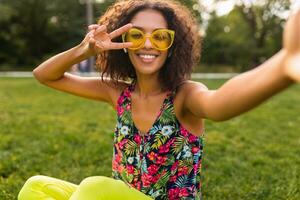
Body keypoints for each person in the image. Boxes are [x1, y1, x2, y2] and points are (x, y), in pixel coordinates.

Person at [18, 0, 300, 199]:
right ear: (123, 45)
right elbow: (45, 76)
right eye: (136, 36)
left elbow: (220, 104)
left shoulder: (184, 95)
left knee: (93, 189)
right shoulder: (116, 92)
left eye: (161, 37)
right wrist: (85, 50)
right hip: (121, 197)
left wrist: (284, 63)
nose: (149, 44)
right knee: (36, 187)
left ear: (173, 46)